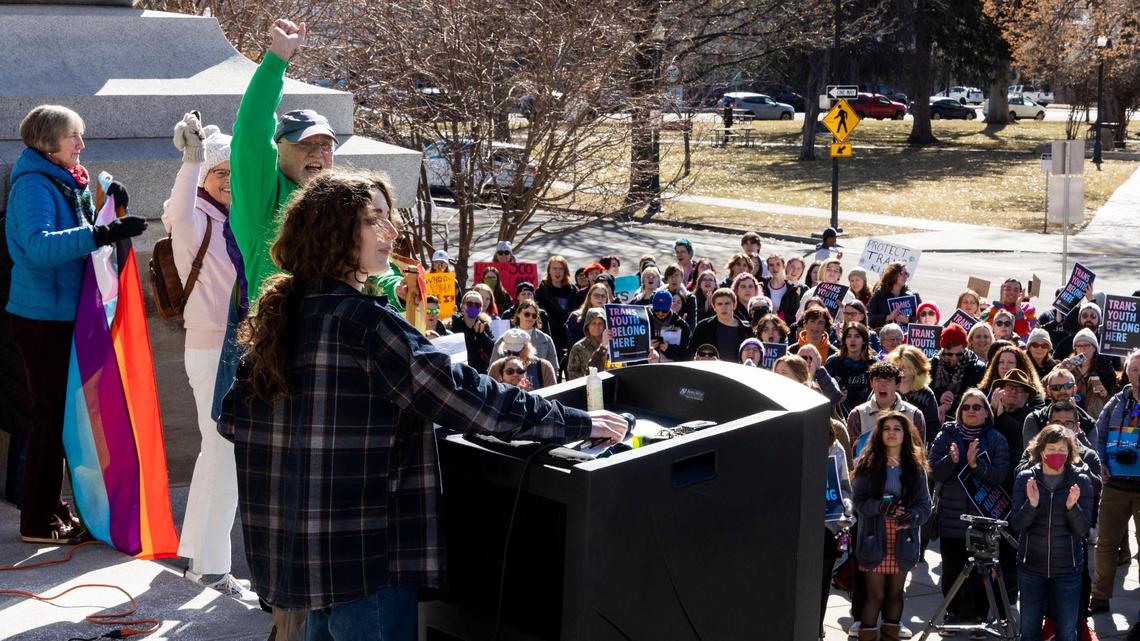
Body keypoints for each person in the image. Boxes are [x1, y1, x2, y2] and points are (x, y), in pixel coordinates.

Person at [217, 170, 628, 637]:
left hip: (305, 559)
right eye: (374, 220)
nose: (391, 232)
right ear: (333, 231)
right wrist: (576, 422)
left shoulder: (287, 315)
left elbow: (233, 420)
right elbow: (475, 400)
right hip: (367, 558)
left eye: (389, 217)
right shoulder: (368, 326)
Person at [6, 105, 147, 544]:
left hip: (66, 314)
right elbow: (36, 247)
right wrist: (100, 234)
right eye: (74, 137)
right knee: (49, 419)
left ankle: (54, 507)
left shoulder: (66, 179)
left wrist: (108, 205)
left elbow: (81, 227)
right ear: (49, 141)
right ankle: (36, 521)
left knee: (67, 418)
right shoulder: (32, 185)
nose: (82, 145)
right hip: (43, 318)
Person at [163, 113, 243, 595]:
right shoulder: (192, 218)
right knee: (224, 457)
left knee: (215, 456)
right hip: (212, 349)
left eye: (235, 171)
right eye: (221, 172)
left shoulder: (231, 220)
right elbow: (180, 202)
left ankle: (196, 557)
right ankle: (212, 569)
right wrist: (192, 159)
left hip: (226, 350)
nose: (229, 180)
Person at [928, 388, 1011, 626]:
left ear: (987, 412)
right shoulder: (946, 436)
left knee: (980, 574)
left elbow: (1000, 476)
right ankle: (952, 614)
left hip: (982, 519)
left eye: (977, 407)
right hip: (951, 519)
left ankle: (978, 617)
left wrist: (976, 466)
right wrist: (951, 461)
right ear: (959, 411)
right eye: (966, 407)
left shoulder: (996, 439)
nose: (971, 411)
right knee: (952, 570)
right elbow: (933, 471)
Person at [851, 412, 931, 641]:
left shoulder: (915, 467)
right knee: (874, 595)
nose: (892, 433)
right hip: (873, 537)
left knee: (895, 594)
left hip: (902, 538)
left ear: (905, 435)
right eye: (887, 429)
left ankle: (891, 635)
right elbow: (858, 502)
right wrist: (880, 508)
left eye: (897, 429)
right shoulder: (868, 464)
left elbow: (925, 506)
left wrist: (909, 516)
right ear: (879, 434)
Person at [1010, 425, 1093, 641]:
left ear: (1070, 452)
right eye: (1052, 448)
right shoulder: (1026, 478)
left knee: (1067, 632)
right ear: (1041, 450)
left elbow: (1083, 529)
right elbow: (1017, 524)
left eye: (1062, 449)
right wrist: (1032, 505)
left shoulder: (1080, 480)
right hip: (1031, 568)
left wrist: (1072, 508)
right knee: (1028, 632)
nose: (1057, 454)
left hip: (1067, 570)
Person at [1091, 349, 1140, 620]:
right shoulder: (1116, 403)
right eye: (1134, 369)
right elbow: (1098, 434)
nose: (1139, 375)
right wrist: (1101, 463)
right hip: (1115, 485)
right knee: (1106, 545)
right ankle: (1099, 597)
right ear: (1127, 372)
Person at [846, 361, 927, 457]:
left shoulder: (915, 415)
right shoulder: (857, 415)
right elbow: (854, 458)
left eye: (888, 380)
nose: (882, 385)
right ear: (871, 383)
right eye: (878, 380)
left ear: (897, 384)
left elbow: (919, 457)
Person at [930, 323, 986, 424]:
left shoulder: (977, 367)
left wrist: (952, 400)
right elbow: (926, 394)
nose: (954, 358)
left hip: (965, 421)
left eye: (959, 354)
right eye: (949, 354)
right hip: (936, 418)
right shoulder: (932, 365)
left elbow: (979, 398)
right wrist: (939, 398)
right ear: (943, 350)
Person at [1062, 328, 1118, 421]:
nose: (1082, 349)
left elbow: (1116, 403)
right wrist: (1061, 370)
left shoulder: (1105, 370)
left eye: (1086, 345)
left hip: (1095, 421)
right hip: (1070, 419)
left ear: (1094, 349)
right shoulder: (1066, 366)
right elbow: (1044, 387)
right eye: (1078, 346)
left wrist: (1105, 396)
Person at [887, 345, 940, 442]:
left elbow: (933, 428)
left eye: (906, 368)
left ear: (917, 368)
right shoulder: (884, 389)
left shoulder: (926, 394)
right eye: (898, 367)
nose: (901, 372)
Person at [826, 322, 877, 416]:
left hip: (866, 414)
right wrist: (835, 396)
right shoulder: (833, 362)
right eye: (849, 336)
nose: (852, 340)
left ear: (864, 340)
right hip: (838, 414)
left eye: (857, 336)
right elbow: (823, 391)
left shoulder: (873, 364)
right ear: (844, 340)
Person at [689, 288, 752, 362]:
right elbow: (691, 353)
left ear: (734, 305)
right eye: (719, 304)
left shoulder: (746, 329)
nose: (723, 308)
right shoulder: (703, 327)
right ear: (714, 307)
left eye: (727, 303)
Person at [535, 255, 577, 366]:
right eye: (554, 268)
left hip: (569, 337)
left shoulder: (572, 290)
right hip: (551, 337)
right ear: (549, 270)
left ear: (565, 271)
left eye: (560, 269)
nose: (557, 272)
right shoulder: (541, 291)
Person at [493, 298, 557, 370]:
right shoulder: (504, 338)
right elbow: (494, 368)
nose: (530, 318)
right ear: (518, 314)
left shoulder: (546, 340)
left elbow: (553, 368)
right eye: (527, 314)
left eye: (534, 316)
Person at [489, 328, 557, 389]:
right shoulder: (497, 367)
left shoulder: (544, 366)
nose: (512, 355)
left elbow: (552, 396)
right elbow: (489, 396)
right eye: (508, 352)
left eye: (516, 352)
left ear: (527, 349)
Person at [979, 345, 1045, 402]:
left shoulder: (1033, 394)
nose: (1005, 366)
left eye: (1010, 363)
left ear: (1020, 366)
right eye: (1001, 362)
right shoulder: (983, 391)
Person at [866, 262, 921, 330]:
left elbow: (923, 318)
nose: (905, 276)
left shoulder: (914, 295)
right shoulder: (880, 294)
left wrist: (908, 320)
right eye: (902, 273)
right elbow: (868, 317)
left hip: (907, 338)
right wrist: (888, 317)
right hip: (885, 337)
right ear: (892, 274)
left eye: (907, 274)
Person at [451, 290, 495, 372]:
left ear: (481, 309)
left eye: (477, 305)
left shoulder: (483, 325)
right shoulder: (454, 324)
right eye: (470, 304)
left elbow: (493, 350)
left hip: (479, 371)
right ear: (463, 306)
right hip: (459, 370)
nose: (473, 307)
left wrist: (481, 335)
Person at [564, 282, 610, 352]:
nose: (600, 298)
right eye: (596, 295)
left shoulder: (611, 318)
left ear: (607, 299)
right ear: (589, 296)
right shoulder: (576, 317)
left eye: (603, 296)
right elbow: (572, 343)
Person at [648, 290, 691, 362]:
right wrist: (646, 346)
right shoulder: (645, 320)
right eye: (657, 309)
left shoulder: (681, 325)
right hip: (648, 367)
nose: (660, 313)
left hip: (671, 368)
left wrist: (669, 349)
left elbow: (687, 355)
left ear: (670, 306)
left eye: (664, 310)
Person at [567, 307, 609, 379]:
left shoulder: (611, 345)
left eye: (600, 323)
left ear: (605, 325)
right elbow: (572, 374)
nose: (597, 326)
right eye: (593, 323)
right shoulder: (578, 347)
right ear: (587, 326)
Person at [762, 253, 804, 322]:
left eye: (778, 264)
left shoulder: (792, 289)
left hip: (782, 329)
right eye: (771, 265)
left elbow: (795, 317)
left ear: (784, 266)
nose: (775, 268)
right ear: (768, 268)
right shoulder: (762, 285)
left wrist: (779, 315)